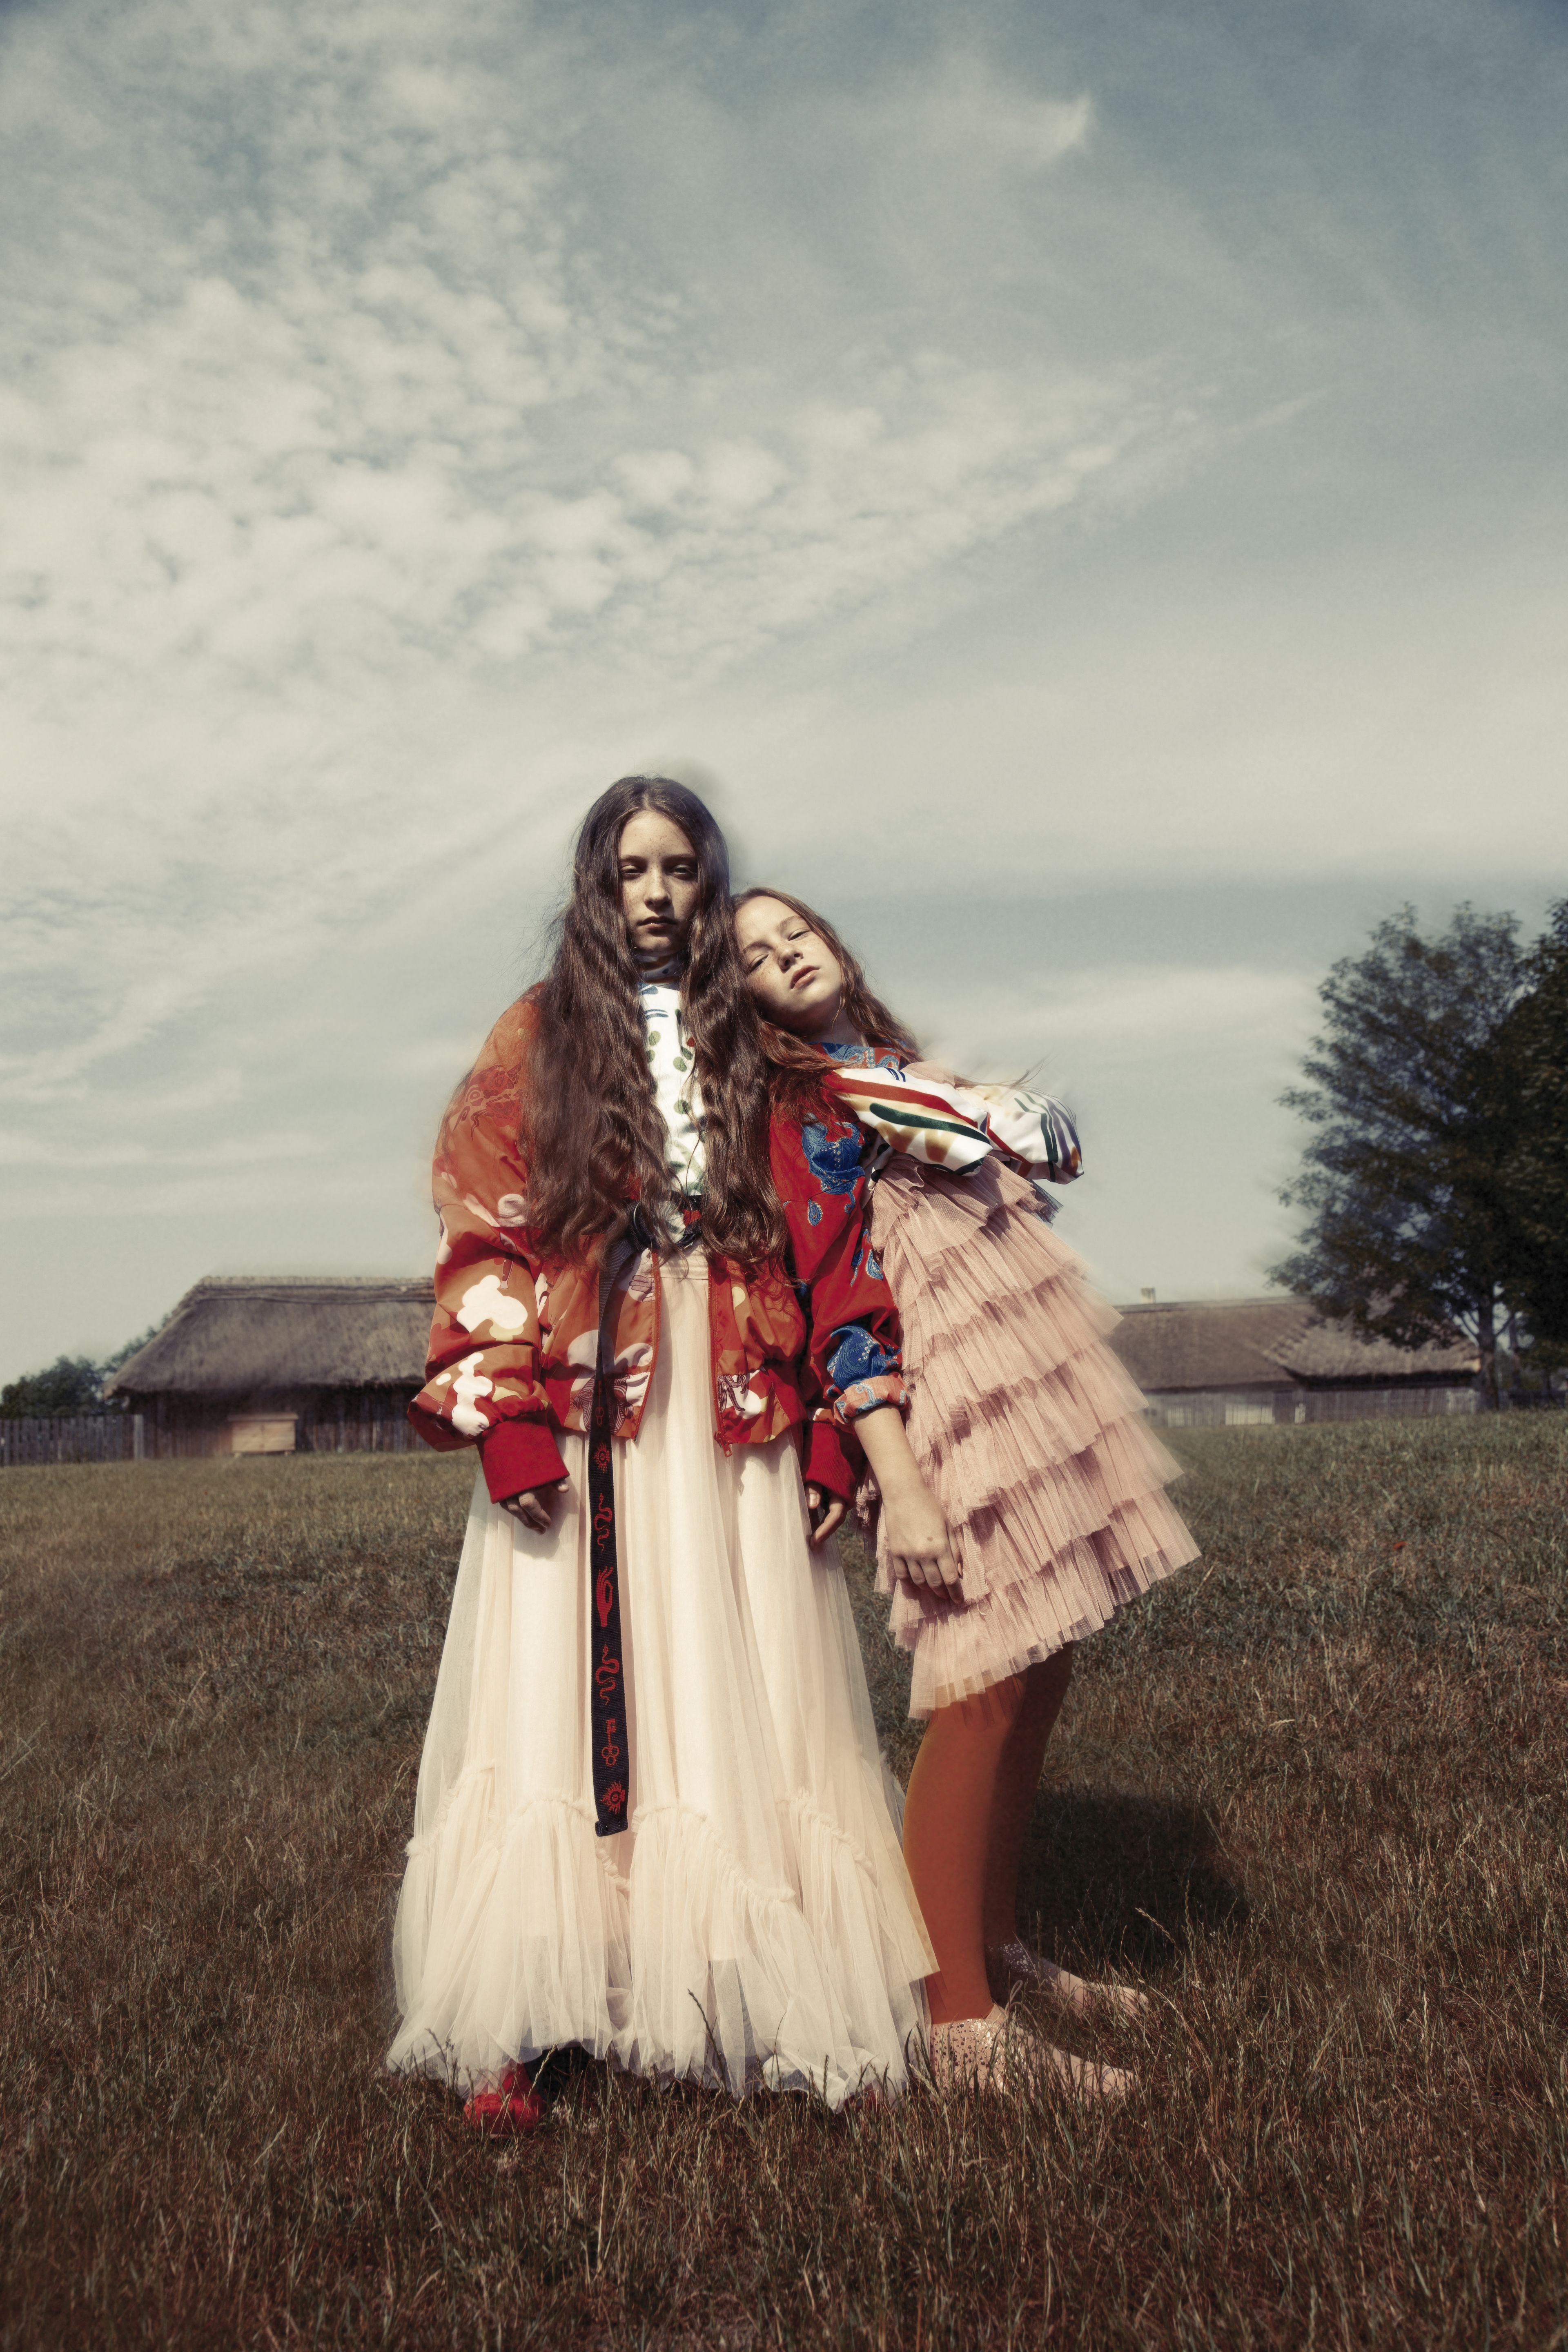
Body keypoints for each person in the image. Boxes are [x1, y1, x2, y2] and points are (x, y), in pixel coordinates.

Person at [387, 782, 933, 2125]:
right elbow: (482, 1218)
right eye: (630, 869)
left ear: (708, 883)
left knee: (751, 1685)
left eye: (680, 869)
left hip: (740, 1387)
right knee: (566, 1696)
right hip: (592, 1394)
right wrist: (508, 1416)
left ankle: (789, 2002)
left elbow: (824, 1232)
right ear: (596, 882)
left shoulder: (751, 1040)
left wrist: (833, 1433)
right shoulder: (539, 1033)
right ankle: (543, 2012)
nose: (655, 894)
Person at [734, 886, 1200, 2094]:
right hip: (941, 1399)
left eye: (797, 933)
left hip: (1024, 1372)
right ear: (745, 1002)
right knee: (981, 1680)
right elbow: (835, 1293)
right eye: (757, 957)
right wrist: (899, 1479)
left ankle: (997, 1944)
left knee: (1042, 1661)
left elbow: (1049, 1147)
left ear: (835, 944)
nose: (787, 955)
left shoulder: (907, 1077)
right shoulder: (811, 1110)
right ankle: (956, 2024)